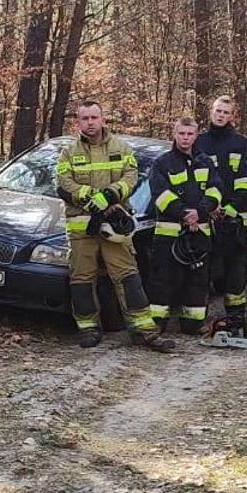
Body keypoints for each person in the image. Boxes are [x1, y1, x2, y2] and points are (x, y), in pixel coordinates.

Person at [57, 99, 175, 352]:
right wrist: (90, 198)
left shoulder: (121, 148)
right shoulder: (68, 152)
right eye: (85, 118)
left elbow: (131, 177)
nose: (90, 122)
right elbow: (64, 183)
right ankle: (88, 328)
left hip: (115, 227)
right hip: (82, 228)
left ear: (103, 119)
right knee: (81, 279)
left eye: (94, 117)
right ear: (78, 121)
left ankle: (144, 331)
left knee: (128, 277)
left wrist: (110, 195)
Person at [146, 117, 223, 333]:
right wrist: (183, 214)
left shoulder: (206, 162)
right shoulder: (162, 163)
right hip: (168, 235)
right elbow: (160, 195)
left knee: (197, 280)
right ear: (174, 134)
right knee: (162, 280)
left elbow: (216, 190)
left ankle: (193, 322)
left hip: (199, 234)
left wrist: (200, 211)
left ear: (196, 135)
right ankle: (157, 324)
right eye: (181, 133)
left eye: (189, 134)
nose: (185, 138)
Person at [195, 95, 247, 330]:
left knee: (234, 272)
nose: (220, 115)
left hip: (232, 219)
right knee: (202, 270)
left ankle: (235, 317)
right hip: (206, 218)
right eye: (217, 111)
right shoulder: (199, 143)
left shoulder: (241, 144)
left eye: (225, 112)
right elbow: (194, 181)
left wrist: (232, 207)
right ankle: (197, 318)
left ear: (232, 116)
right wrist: (207, 208)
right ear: (211, 112)